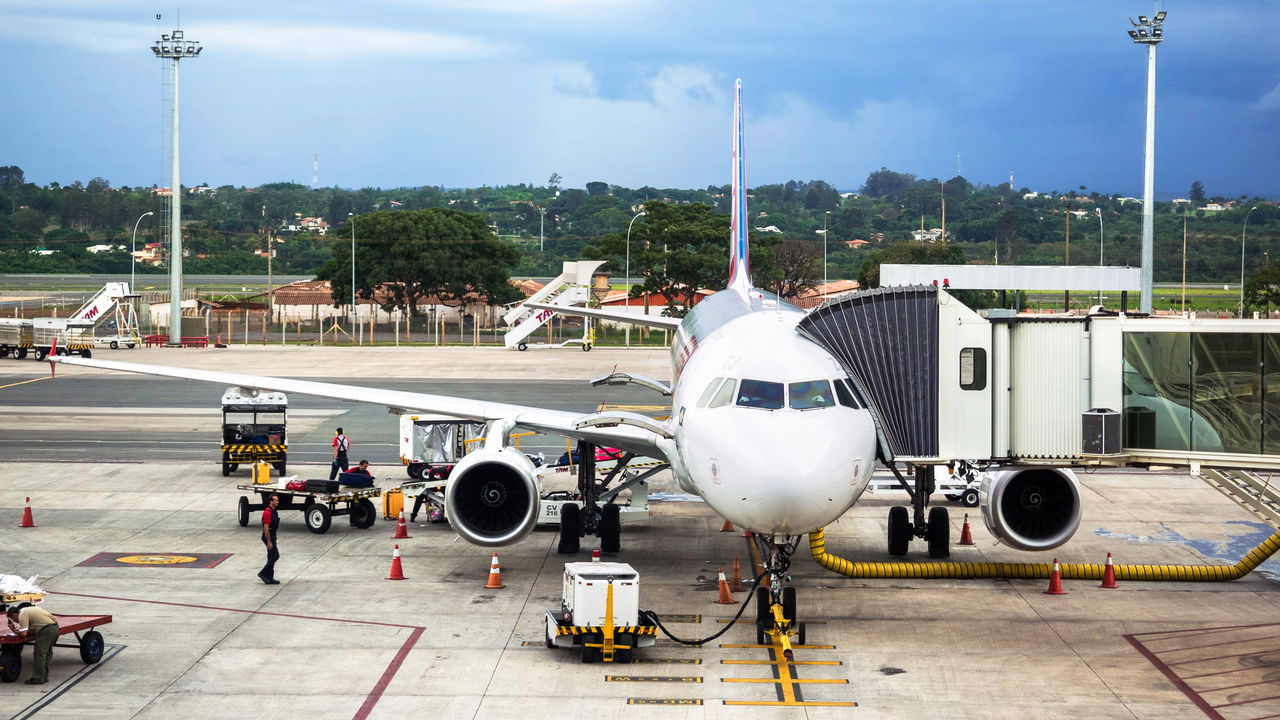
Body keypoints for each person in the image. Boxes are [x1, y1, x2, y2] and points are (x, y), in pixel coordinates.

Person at [6, 603, 59, 684]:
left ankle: (38, 678)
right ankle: (44, 676)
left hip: (46, 630)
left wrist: (14, 630)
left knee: (39, 654)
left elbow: (23, 634)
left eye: (13, 619)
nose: (15, 621)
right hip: (54, 628)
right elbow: (29, 630)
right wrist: (15, 630)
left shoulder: (22, 615)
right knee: (46, 653)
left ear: (14, 614)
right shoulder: (27, 610)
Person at [258, 493, 281, 585]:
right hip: (268, 537)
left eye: (277, 500)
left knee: (271, 557)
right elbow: (266, 528)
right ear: (271, 502)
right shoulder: (267, 512)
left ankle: (269, 578)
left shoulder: (274, 511)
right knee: (275, 556)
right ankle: (263, 573)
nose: (277, 502)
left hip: (272, 536)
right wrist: (269, 541)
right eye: (276, 500)